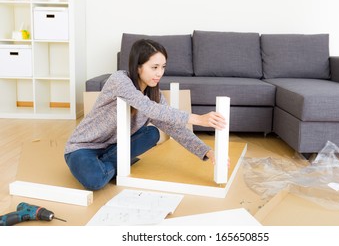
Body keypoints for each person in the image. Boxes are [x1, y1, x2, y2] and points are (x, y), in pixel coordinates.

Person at [64, 39, 226, 191]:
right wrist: (197, 118)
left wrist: (208, 152)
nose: (160, 73)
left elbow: (174, 128)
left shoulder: (155, 94)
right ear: (137, 67)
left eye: (163, 67)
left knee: (152, 133)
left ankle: (108, 164)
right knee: (95, 180)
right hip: (84, 147)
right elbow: (147, 107)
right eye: (154, 67)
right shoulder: (119, 80)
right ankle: (112, 164)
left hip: (114, 146)